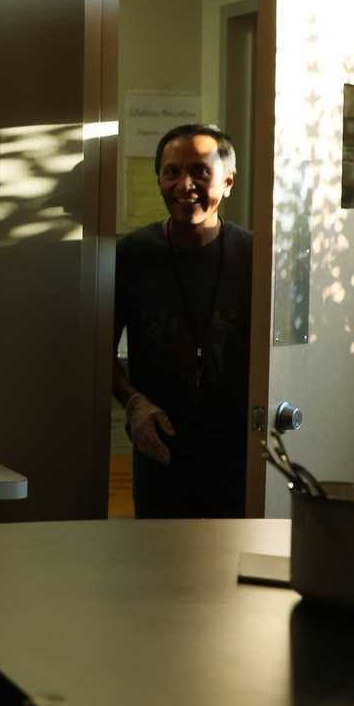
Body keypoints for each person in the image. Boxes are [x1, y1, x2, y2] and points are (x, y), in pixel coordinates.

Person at [112, 123, 254, 519]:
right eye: (172, 172)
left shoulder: (255, 256)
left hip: (236, 452)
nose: (184, 184)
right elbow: (95, 350)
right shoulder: (132, 254)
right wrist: (133, 403)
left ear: (227, 182)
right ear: (158, 179)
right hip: (159, 445)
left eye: (200, 172)